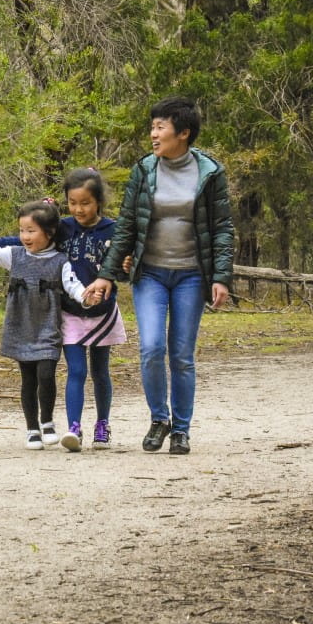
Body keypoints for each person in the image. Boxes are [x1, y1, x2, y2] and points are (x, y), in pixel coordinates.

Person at [84, 97, 234, 456]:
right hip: (149, 273)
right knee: (151, 347)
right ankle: (159, 419)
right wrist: (107, 274)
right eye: (152, 127)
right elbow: (125, 229)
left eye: (160, 127)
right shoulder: (144, 170)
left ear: (183, 133)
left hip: (191, 276)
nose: (153, 134)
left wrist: (222, 277)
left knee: (181, 354)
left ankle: (181, 430)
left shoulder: (210, 172)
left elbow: (222, 227)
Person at [0, 168, 127, 451]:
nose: (78, 209)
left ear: (98, 202)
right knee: (76, 370)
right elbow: (30, 239)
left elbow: (123, 268)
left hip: (102, 312)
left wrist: (126, 269)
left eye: (85, 203)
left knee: (101, 371)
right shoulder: (64, 227)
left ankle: (102, 425)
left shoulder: (113, 231)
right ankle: (74, 429)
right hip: (69, 312)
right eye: (73, 202)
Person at [0, 200, 94, 450]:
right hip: (20, 327)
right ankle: (32, 428)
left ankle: (47, 422)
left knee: (46, 375)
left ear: (49, 232)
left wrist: (86, 297)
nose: (25, 236)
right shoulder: (14, 255)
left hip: (47, 328)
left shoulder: (60, 261)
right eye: (22, 230)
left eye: (31, 231)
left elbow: (73, 285)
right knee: (28, 379)